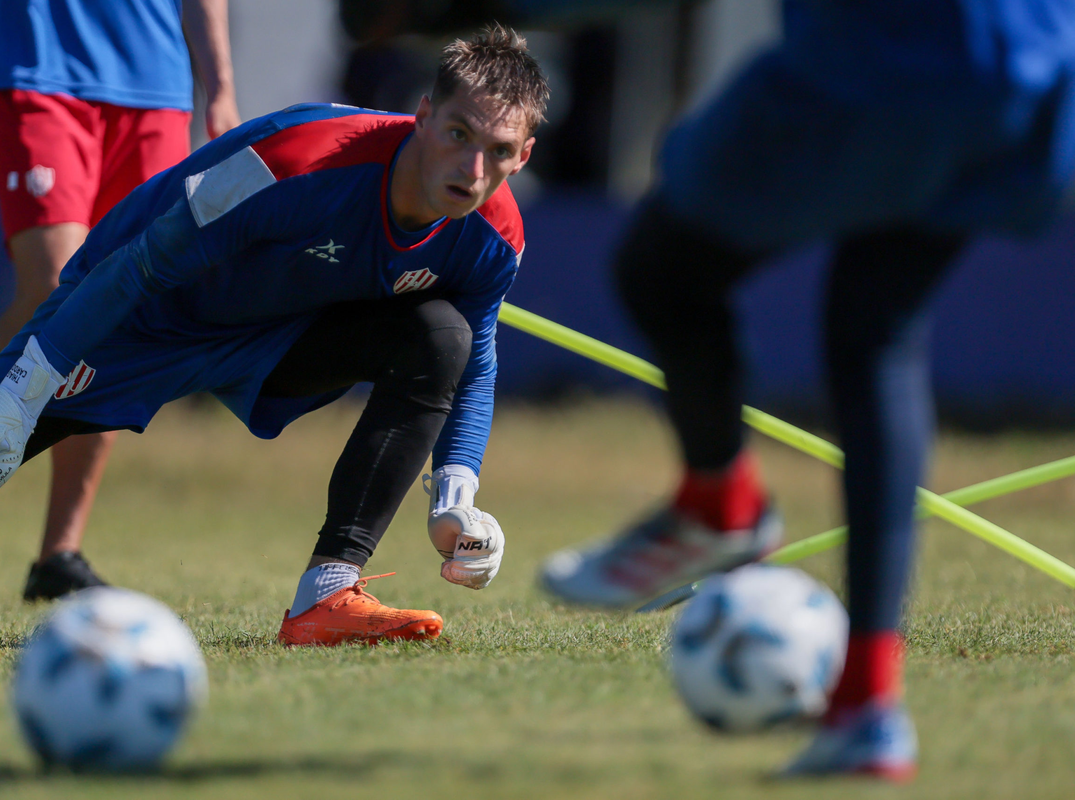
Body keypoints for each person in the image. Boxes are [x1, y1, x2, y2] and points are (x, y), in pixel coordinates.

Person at [344, 0, 1075, 780]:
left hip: (894, 58)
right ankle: (867, 711)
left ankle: (721, 503)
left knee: (661, 268)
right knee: (878, 336)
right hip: (1034, 83)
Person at [0, 25, 549, 647]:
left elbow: (476, 357)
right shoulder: (293, 164)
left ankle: (327, 595)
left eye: (497, 151)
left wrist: (458, 493)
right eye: (459, 133)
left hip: (277, 337)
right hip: (140, 314)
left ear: (522, 157)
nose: (473, 168)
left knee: (441, 338)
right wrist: (24, 392)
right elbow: (137, 266)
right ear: (424, 116)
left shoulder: (495, 237)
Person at [0, 0, 241, 603]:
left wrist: (219, 87)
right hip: (39, 65)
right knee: (54, 288)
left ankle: (57, 555)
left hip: (154, 86)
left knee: (119, 314)